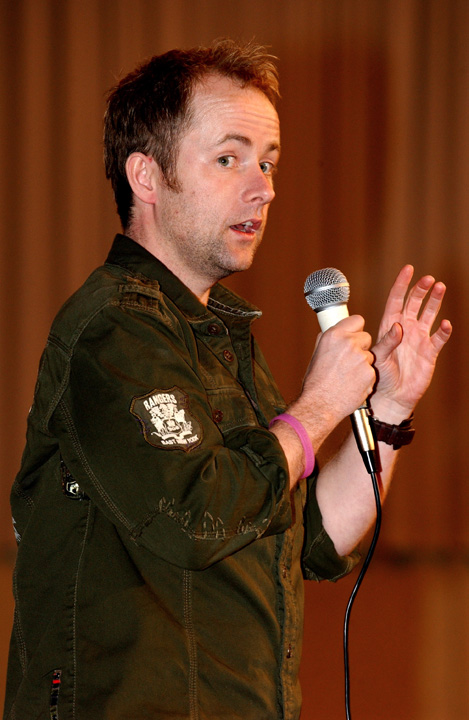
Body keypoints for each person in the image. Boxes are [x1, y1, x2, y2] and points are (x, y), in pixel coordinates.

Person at [3, 39, 451, 720]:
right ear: (146, 177)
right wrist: (320, 404)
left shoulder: (216, 339)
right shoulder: (113, 328)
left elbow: (314, 540)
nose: (264, 187)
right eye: (228, 158)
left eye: (268, 162)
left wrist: (386, 408)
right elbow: (197, 516)